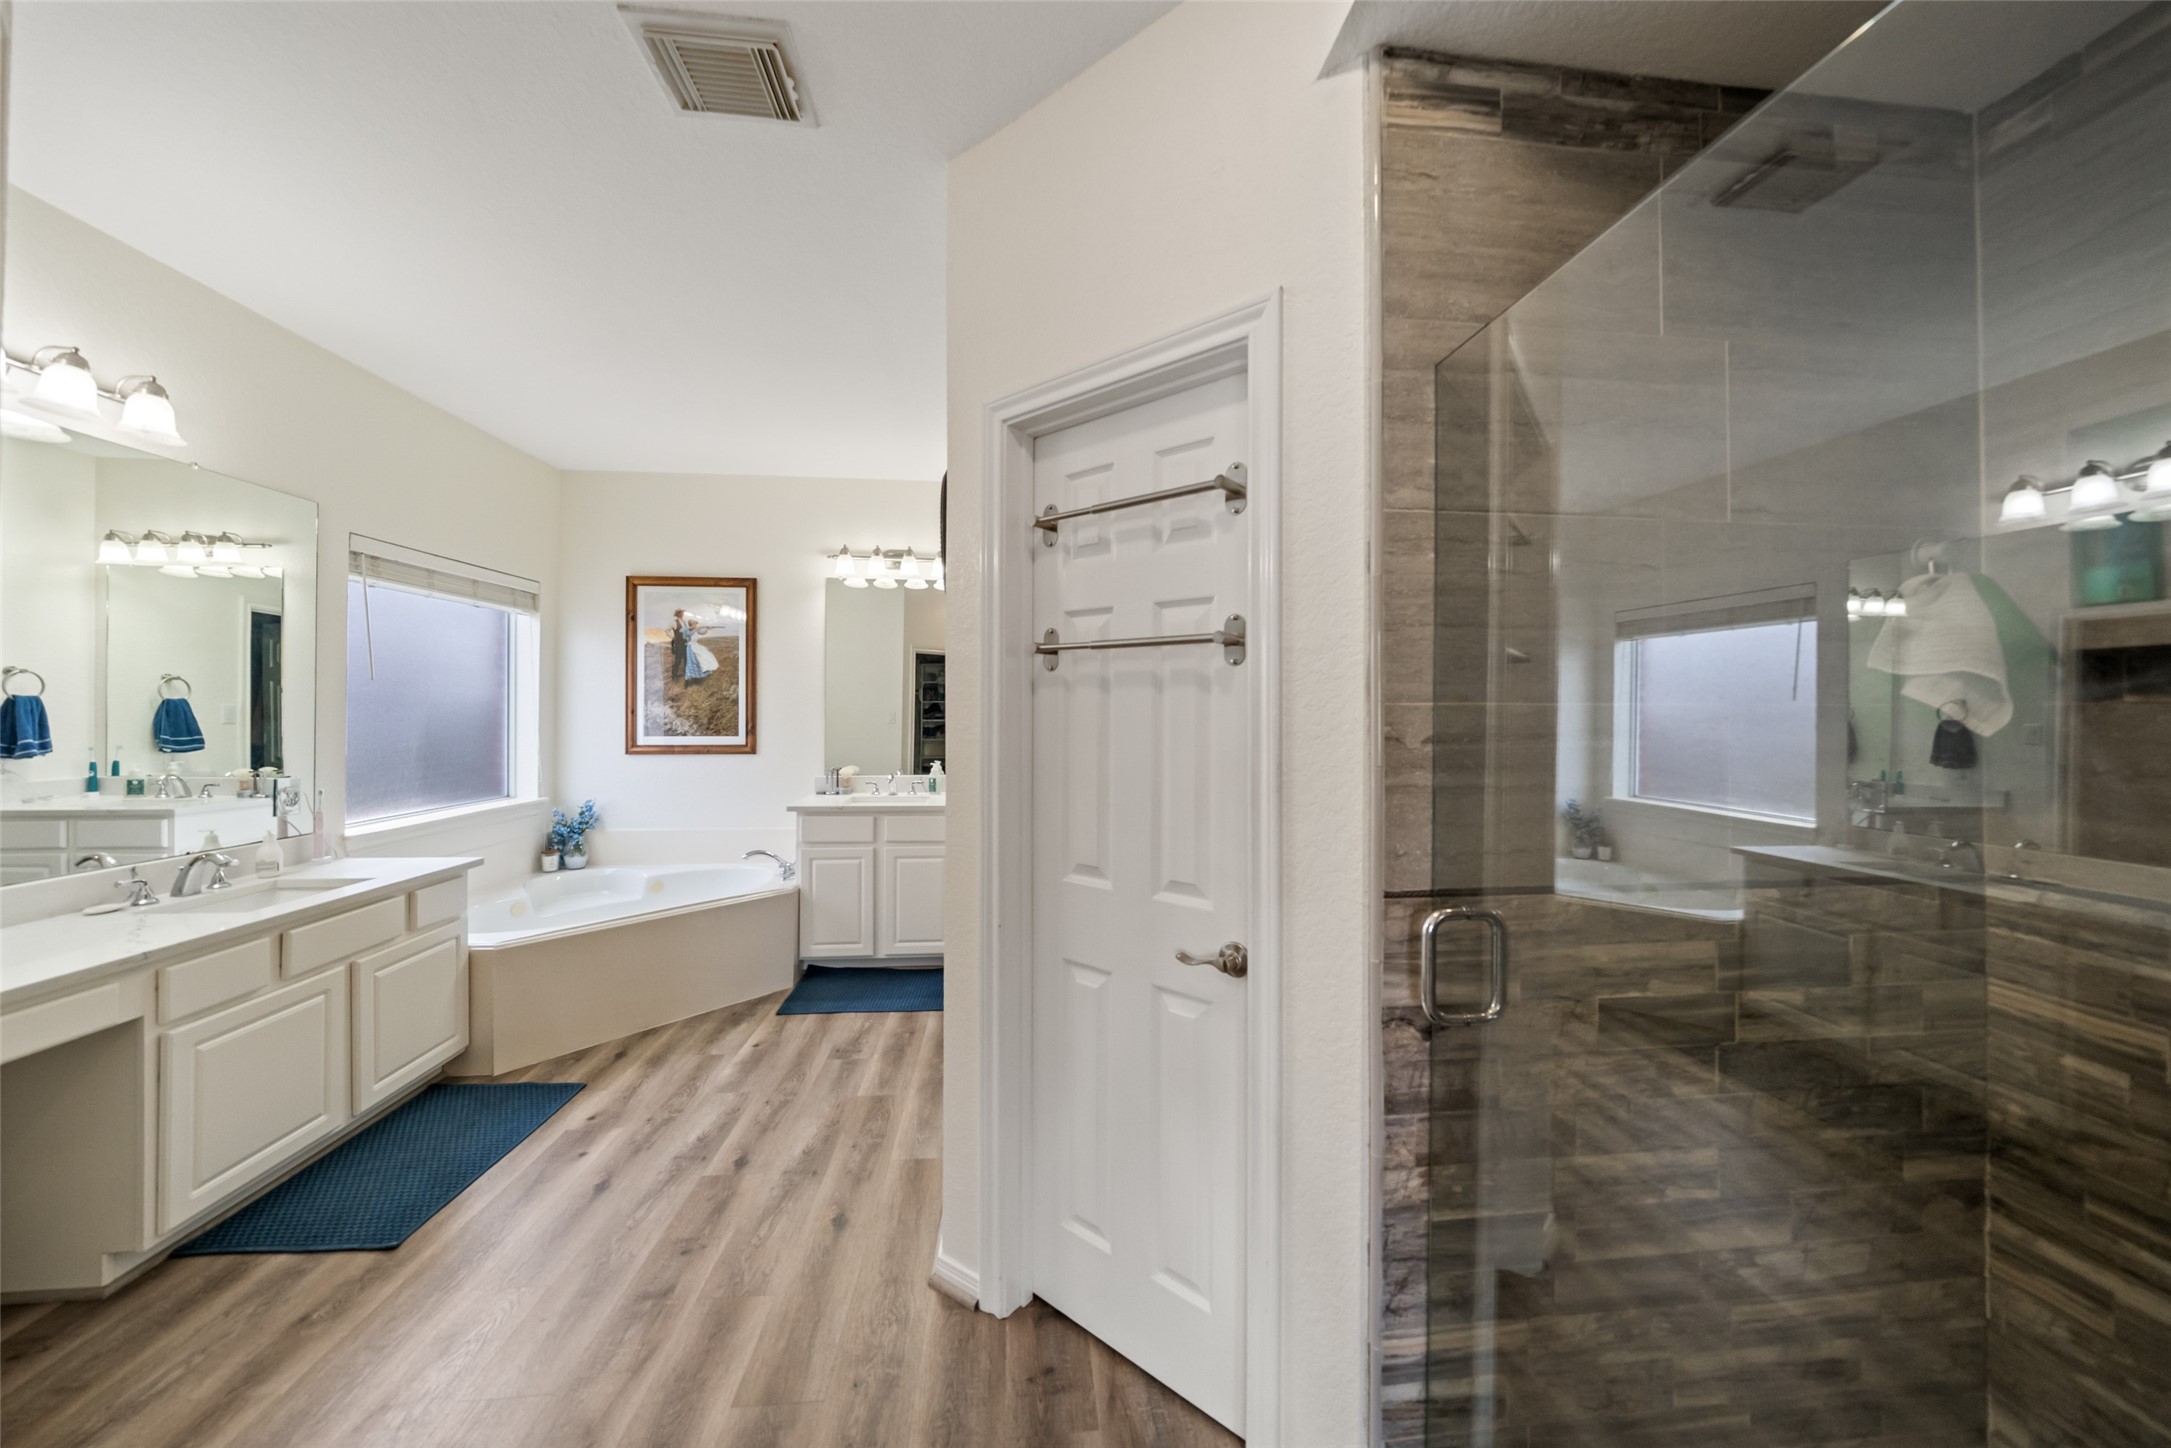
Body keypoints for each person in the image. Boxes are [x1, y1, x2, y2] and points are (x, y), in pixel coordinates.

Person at [684, 617, 719, 682]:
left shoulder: (696, 630)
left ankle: (702, 673)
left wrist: (707, 629)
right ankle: (690, 676)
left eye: (696, 625)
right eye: (695, 624)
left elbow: (702, 633)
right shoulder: (687, 630)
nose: (696, 626)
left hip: (695, 645)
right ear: (691, 624)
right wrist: (696, 629)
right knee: (693, 661)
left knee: (705, 656)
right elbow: (689, 634)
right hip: (690, 647)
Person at [668, 609, 689, 681]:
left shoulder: (684, 622)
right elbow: (666, 629)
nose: (683, 614)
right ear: (678, 613)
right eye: (681, 612)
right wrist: (672, 637)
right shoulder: (674, 622)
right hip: (679, 643)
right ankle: (674, 676)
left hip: (685, 642)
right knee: (678, 659)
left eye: (683, 612)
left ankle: (686, 673)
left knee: (686, 658)